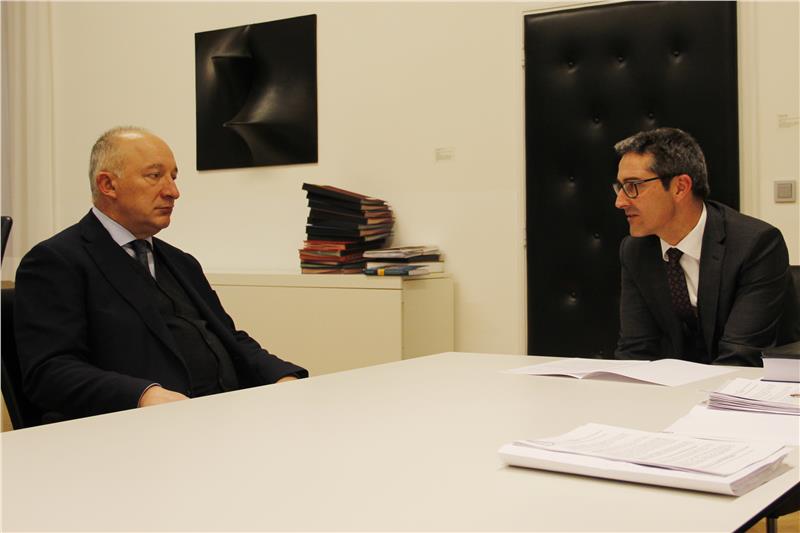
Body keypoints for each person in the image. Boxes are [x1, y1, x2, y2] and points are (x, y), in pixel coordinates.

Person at [14, 126, 308, 422]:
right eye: (155, 176)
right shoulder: (56, 261)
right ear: (108, 184)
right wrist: (142, 395)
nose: (173, 192)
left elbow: (230, 340)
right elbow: (49, 372)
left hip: (222, 416)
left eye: (173, 177)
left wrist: (281, 378)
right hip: (137, 429)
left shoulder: (182, 262)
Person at [613, 127, 799, 366]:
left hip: (750, 383)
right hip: (676, 384)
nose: (620, 201)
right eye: (620, 187)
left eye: (633, 186)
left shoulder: (756, 244)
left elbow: (740, 356)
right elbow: (635, 351)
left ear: (680, 187)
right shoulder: (635, 250)